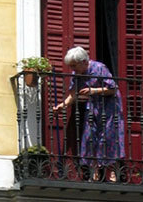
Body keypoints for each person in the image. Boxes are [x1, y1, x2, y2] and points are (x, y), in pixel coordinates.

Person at [53, 46, 125, 182]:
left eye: (74, 65)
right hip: (93, 106)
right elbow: (73, 93)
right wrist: (62, 106)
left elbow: (113, 89)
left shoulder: (99, 68)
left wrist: (94, 91)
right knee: (90, 136)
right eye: (71, 66)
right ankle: (95, 170)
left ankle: (113, 172)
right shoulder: (77, 74)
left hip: (109, 107)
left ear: (84, 62)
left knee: (108, 136)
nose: (72, 69)